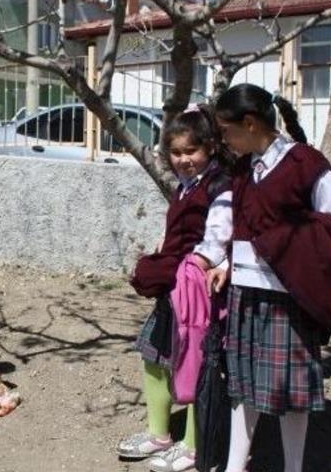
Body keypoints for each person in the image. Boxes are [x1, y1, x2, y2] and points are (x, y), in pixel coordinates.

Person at [210, 83, 331, 472]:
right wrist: (227, 263)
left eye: (227, 131)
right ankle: (234, 466)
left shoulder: (305, 163)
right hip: (246, 294)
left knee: (292, 391)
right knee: (243, 383)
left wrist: (283, 240)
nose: (224, 140)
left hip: (287, 296)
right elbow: (242, 225)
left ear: (250, 123)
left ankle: (293, 467)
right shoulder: (244, 170)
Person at [119, 105, 233, 472]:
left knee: (197, 365)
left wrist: (197, 263)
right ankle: (159, 433)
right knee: (154, 354)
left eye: (191, 151)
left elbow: (218, 238)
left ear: (210, 147)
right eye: (176, 152)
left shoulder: (220, 186)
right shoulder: (187, 188)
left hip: (199, 293)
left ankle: (193, 445)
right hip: (174, 290)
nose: (184, 160)